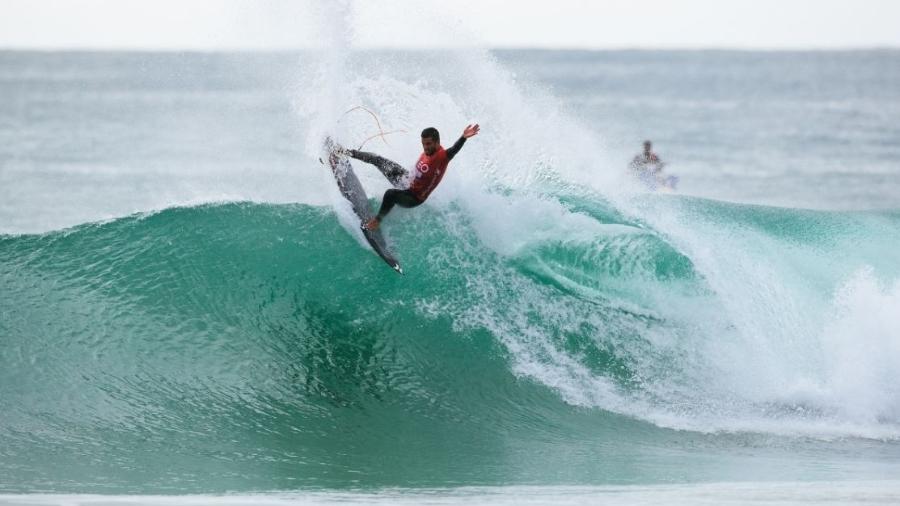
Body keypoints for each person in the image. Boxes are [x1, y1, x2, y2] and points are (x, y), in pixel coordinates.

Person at [343, 124, 480, 231]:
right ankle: (345, 152)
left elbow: (454, 149)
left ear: (437, 142)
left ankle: (377, 221)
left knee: (390, 194)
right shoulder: (429, 150)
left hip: (414, 197)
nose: (425, 147)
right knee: (378, 160)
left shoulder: (442, 157)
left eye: (428, 144)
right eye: (423, 144)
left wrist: (463, 137)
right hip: (407, 180)